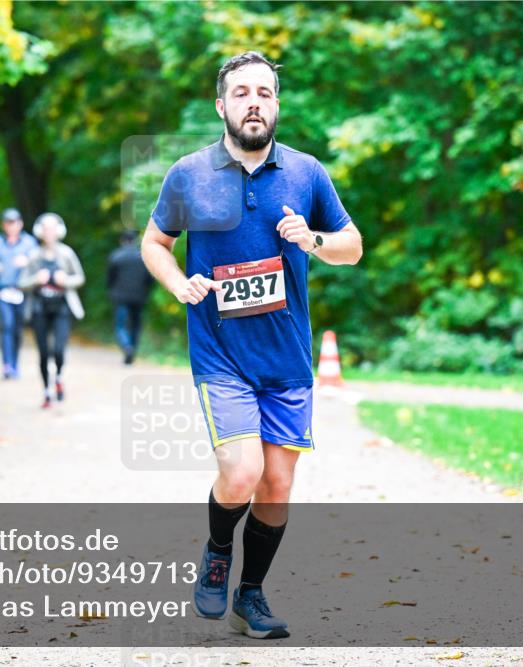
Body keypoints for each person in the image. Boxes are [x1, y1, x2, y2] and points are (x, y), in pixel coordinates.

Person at [140, 52, 363, 639]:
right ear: (222, 105)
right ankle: (218, 552)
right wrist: (178, 282)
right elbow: (155, 243)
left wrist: (313, 238)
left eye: (264, 92)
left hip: (286, 359)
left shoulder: (306, 172)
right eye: (241, 93)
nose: (254, 102)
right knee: (241, 472)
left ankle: (251, 595)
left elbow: (353, 245)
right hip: (221, 355)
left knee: (278, 485)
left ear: (277, 104)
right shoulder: (188, 173)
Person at [18, 212, 85, 409]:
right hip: (39, 309)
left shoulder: (67, 254)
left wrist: (66, 280)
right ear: (40, 231)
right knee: (43, 352)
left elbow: (80, 277)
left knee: (58, 350)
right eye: (46, 228)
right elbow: (21, 282)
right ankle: (46, 391)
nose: (49, 232)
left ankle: (59, 377)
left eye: (53, 228)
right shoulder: (33, 256)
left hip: (62, 308)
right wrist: (35, 280)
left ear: (59, 231)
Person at [0, 208, 38, 379]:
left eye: (14, 222)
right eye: (8, 223)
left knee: (17, 328)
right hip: (3, 289)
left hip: (22, 290)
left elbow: (39, 263)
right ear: (3, 225)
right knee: (6, 325)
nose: (11, 226)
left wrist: (28, 261)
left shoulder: (30, 243)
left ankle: (15, 363)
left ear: (20, 223)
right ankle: (7, 365)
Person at [107, 229, 154, 364]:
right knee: (136, 324)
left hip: (120, 297)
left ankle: (127, 346)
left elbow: (110, 279)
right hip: (139, 297)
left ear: (122, 240)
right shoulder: (143, 257)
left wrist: (111, 291)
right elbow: (150, 278)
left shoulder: (116, 256)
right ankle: (132, 348)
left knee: (121, 325)